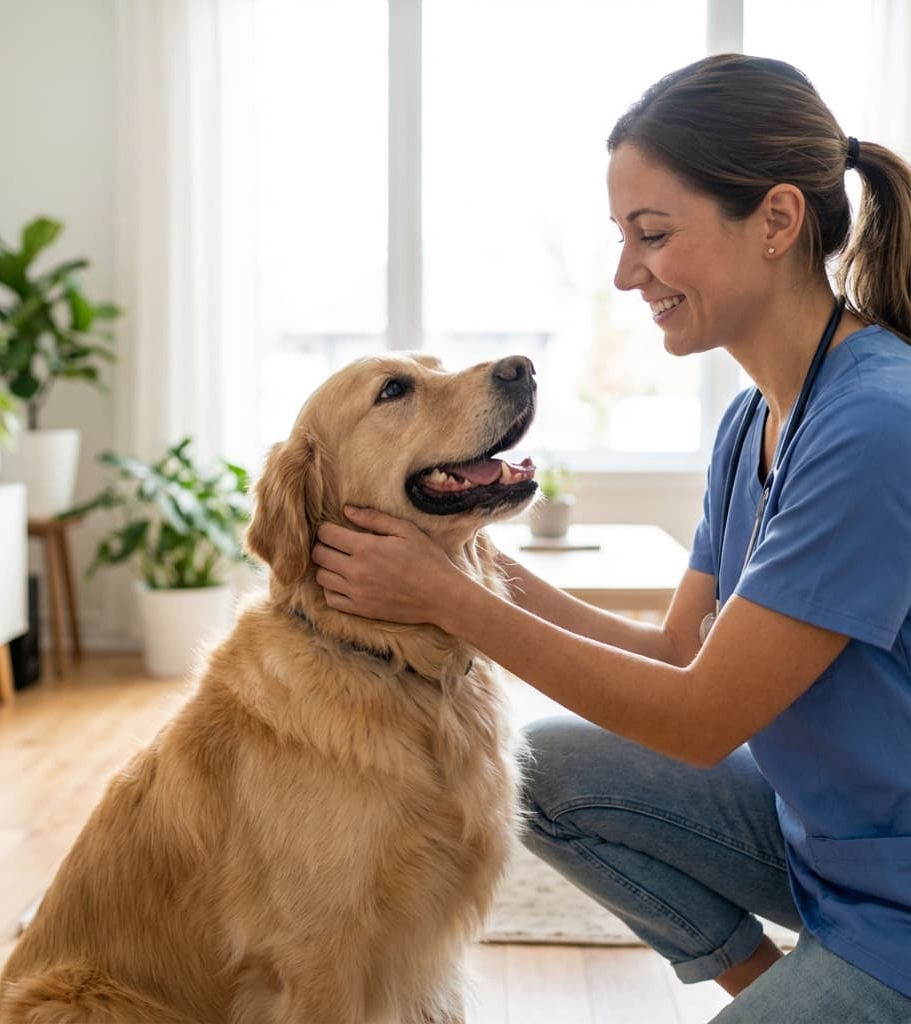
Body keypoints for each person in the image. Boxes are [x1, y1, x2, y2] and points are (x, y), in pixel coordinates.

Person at [311, 53, 911, 1022]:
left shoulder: (875, 423)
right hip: (825, 844)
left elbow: (698, 720)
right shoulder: (752, 421)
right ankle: (782, 993)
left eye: (653, 234)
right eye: (623, 237)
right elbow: (676, 653)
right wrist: (475, 564)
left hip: (898, 906)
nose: (628, 273)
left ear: (775, 221)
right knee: (550, 768)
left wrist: (446, 599)